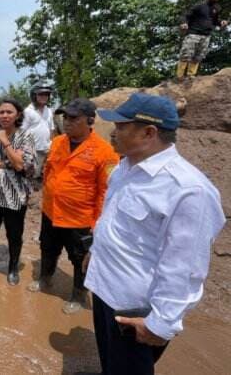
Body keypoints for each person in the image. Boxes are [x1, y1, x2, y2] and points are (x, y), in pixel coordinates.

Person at [85, 93, 225, 375]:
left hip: (135, 309)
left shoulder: (188, 189)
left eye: (122, 126)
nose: (114, 132)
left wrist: (161, 324)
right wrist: (94, 253)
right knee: (109, 358)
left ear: (148, 132)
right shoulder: (125, 167)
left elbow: (185, 267)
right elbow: (113, 221)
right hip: (105, 289)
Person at [28, 98, 119, 314]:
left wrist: (97, 224)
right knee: (47, 248)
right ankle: (45, 278)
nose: (67, 122)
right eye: (65, 117)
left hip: (80, 219)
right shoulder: (58, 142)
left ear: (89, 121)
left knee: (80, 259)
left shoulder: (104, 152)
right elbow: (49, 172)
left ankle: (78, 294)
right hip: (51, 212)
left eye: (73, 118)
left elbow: (105, 192)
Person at [0, 98, 36, 285]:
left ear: (18, 114)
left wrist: (5, 142)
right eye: (1, 112)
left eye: (9, 112)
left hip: (16, 195)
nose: (5, 115)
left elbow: (22, 165)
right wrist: (8, 162)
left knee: (14, 234)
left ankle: (12, 268)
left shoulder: (26, 137)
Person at [177, 0, 228, 81]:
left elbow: (215, 21)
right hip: (193, 33)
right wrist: (184, 23)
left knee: (198, 56)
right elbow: (186, 15)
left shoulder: (216, 8)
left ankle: (191, 75)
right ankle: (180, 76)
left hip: (206, 35)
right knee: (186, 54)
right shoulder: (199, 6)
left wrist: (221, 22)